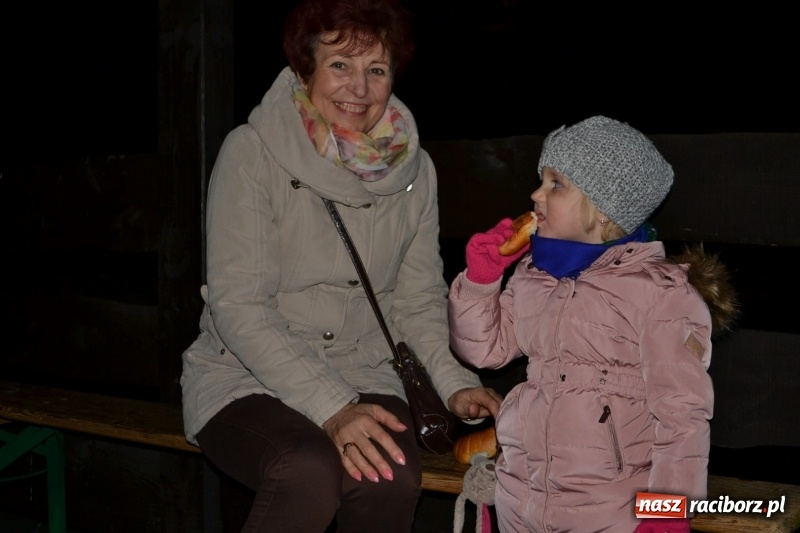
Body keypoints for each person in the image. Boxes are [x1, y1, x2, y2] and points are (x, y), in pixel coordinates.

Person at [179, 0, 502, 531]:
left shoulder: (414, 170)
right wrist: (332, 407)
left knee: (391, 475)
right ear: (305, 71)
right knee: (305, 467)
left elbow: (416, 299)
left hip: (364, 369)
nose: (359, 87)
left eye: (376, 70)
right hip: (245, 375)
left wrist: (454, 382)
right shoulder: (252, 153)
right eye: (339, 66)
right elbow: (240, 307)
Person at [448, 116, 737, 533]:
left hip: (611, 511)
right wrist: (481, 280)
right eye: (540, 180)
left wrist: (668, 515)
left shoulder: (659, 294)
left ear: (603, 210)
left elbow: (682, 416)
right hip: (522, 502)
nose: (536, 194)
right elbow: (484, 350)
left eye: (555, 184)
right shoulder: (534, 274)